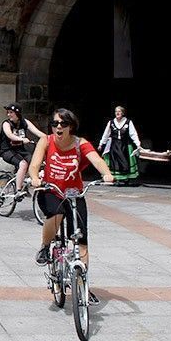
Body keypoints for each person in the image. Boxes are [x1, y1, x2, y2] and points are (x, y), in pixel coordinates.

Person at [30, 109, 113, 278]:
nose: (58, 127)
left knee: (80, 238)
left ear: (71, 126)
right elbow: (34, 164)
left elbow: (96, 159)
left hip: (74, 194)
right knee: (56, 213)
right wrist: (34, 178)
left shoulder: (79, 143)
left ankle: (83, 285)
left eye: (63, 124)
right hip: (51, 190)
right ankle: (45, 246)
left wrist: (106, 173)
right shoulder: (46, 141)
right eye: (55, 124)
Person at [0, 102, 46, 194]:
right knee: (23, 164)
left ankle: (26, 180)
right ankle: (18, 190)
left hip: (20, 150)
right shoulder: (6, 124)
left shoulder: (25, 122)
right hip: (7, 151)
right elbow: (10, 135)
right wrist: (22, 139)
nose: (9, 115)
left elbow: (38, 133)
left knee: (35, 162)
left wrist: (49, 139)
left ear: (17, 113)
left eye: (11, 112)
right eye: (8, 112)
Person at [98, 106, 142, 185]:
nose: (117, 113)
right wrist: (101, 144)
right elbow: (106, 134)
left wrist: (138, 144)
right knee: (115, 162)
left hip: (125, 145)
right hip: (114, 145)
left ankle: (125, 178)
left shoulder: (128, 122)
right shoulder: (111, 122)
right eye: (116, 111)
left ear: (123, 113)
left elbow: (133, 134)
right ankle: (116, 178)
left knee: (125, 161)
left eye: (119, 111)